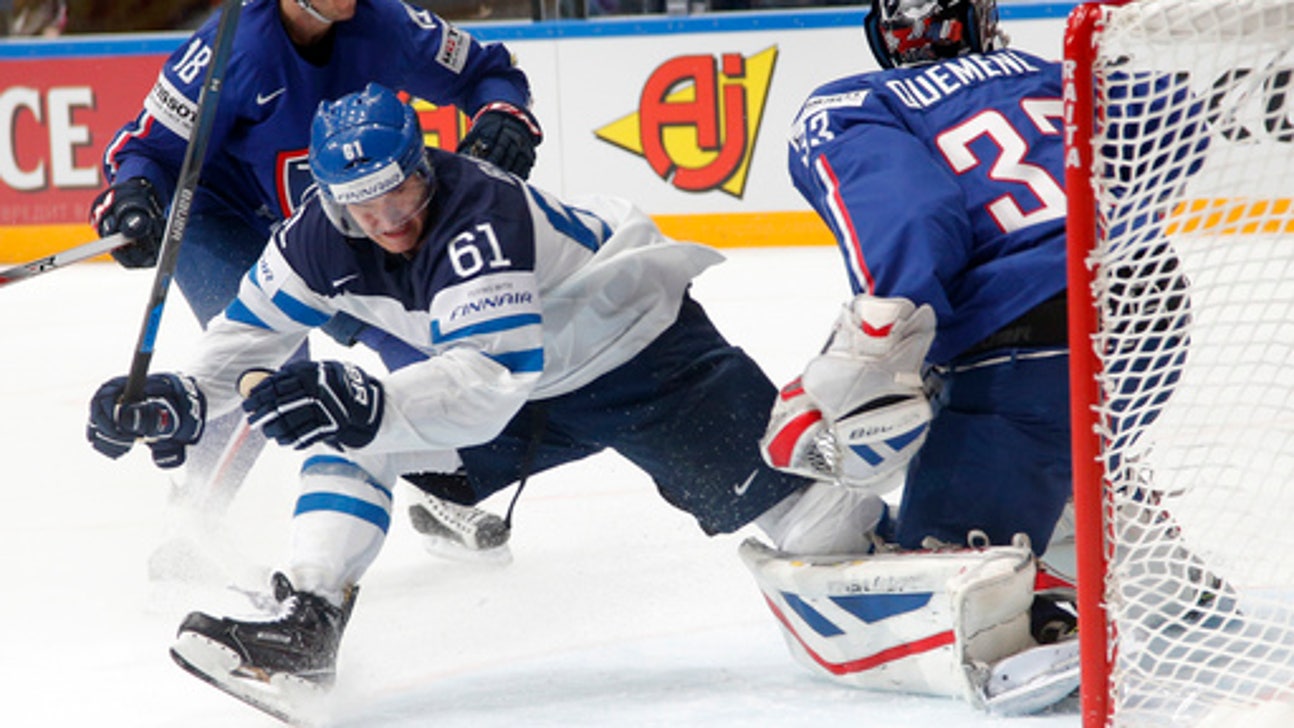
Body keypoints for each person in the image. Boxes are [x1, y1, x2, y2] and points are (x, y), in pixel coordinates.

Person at [84, 83, 883, 722]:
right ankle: (308, 628)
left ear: (423, 164)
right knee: (355, 437)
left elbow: (488, 383)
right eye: (365, 209)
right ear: (329, 203)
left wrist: (367, 398)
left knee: (806, 517)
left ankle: (896, 560)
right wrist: (181, 397)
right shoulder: (312, 240)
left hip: (631, 347)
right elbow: (246, 337)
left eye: (402, 195)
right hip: (523, 389)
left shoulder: (477, 216)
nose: (392, 223)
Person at [88, 0, 544, 565]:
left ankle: (438, 490)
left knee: (425, 345)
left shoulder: (391, 25)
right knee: (264, 363)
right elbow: (146, 149)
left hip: (332, 224)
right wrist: (133, 195)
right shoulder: (230, 51)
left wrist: (500, 114)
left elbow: (487, 71)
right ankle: (193, 521)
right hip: (223, 223)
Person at [742, 0, 1084, 713]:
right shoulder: (1058, 72)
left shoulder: (853, 100)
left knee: (941, 558)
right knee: (1070, 440)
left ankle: (1034, 626)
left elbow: (909, 217)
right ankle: (1152, 564)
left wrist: (863, 365)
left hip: (1028, 346)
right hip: (1149, 314)